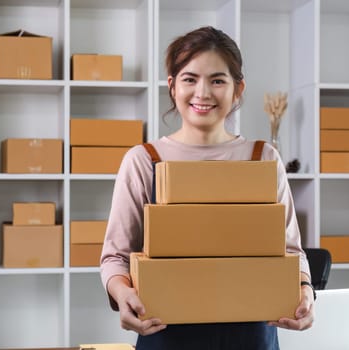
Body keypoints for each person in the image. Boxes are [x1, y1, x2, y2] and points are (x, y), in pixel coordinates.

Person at [100, 26, 314, 350]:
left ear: (238, 89)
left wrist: (305, 291)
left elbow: (291, 251)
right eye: (190, 79)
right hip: (166, 335)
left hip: (251, 336)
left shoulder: (262, 158)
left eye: (217, 80)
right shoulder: (144, 161)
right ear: (172, 86)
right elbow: (115, 257)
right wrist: (122, 292)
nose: (203, 93)